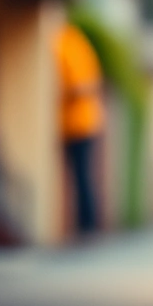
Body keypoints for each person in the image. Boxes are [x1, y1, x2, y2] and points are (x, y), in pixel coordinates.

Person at [55, 22, 106, 236]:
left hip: (79, 124)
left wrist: (60, 92)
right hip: (82, 122)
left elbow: (81, 84)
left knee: (81, 175)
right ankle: (85, 224)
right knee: (81, 175)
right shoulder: (76, 41)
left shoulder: (68, 42)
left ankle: (86, 226)